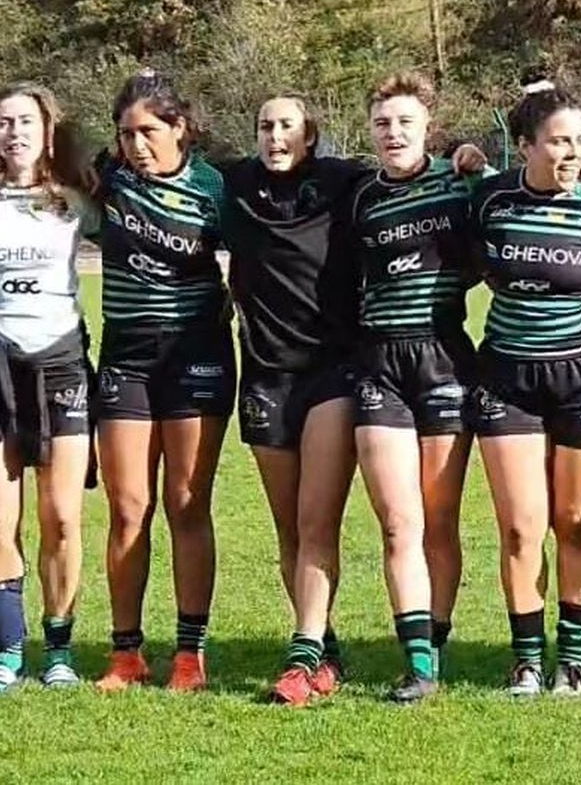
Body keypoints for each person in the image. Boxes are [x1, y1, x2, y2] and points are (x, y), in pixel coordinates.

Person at [469, 84, 581, 698]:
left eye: (580, 140)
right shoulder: (488, 199)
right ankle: (527, 661)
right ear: (524, 146)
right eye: (558, 140)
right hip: (509, 379)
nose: (571, 151)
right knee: (520, 526)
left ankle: (573, 662)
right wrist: (460, 156)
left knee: (576, 522)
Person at [0, 83, 99, 691]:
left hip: (61, 364)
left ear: (47, 129)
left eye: (26, 121)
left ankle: (58, 647)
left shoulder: (77, 201)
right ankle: (9, 648)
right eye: (4, 122)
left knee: (61, 518)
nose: (15, 133)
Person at [221, 94, 368, 705]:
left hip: (330, 374)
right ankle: (325, 646)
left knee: (316, 523)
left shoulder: (342, 181)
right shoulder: (232, 186)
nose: (274, 136)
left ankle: (301, 657)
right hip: (263, 378)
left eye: (286, 126)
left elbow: (409, 171)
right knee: (289, 529)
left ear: (310, 135)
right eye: (264, 126)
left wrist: (464, 159)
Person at [345, 72, 484, 703]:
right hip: (379, 365)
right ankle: (419, 663)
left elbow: (502, 224)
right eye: (382, 123)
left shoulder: (458, 184)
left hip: (444, 361)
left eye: (404, 121)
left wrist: (477, 171)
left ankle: (439, 639)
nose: (392, 133)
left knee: (439, 521)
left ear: (428, 125)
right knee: (398, 522)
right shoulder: (359, 196)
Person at [92, 72, 232, 693]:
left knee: (185, 503)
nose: (137, 145)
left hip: (197, 353)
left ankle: (188, 655)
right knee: (127, 509)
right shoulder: (106, 180)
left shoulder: (214, 188)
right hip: (126, 352)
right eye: (126, 134)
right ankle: (126, 654)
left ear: (180, 129)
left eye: (149, 131)